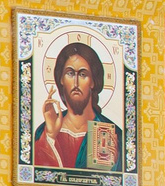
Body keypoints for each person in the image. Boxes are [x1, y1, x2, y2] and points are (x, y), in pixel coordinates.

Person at [32, 40, 123, 172]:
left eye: (82, 74)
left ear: (93, 81)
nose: (75, 83)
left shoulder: (113, 134)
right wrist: (50, 137)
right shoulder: (44, 131)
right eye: (70, 73)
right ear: (61, 79)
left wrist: (113, 166)